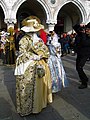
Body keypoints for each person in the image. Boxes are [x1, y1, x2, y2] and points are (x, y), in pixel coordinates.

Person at [14, 16, 52, 116]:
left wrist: (42, 55)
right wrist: (34, 56)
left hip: (36, 66)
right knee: (26, 86)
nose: (35, 32)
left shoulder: (37, 39)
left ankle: (35, 107)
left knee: (35, 87)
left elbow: (45, 50)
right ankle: (26, 109)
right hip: (26, 65)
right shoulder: (23, 40)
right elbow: (22, 53)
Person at [73, 23, 90, 89]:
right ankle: (84, 78)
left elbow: (85, 43)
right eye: (86, 29)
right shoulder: (82, 34)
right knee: (77, 68)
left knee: (80, 67)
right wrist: (80, 25)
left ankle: (84, 83)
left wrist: (83, 34)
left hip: (86, 54)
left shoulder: (86, 36)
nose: (86, 30)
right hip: (80, 53)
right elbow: (75, 27)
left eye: (88, 29)